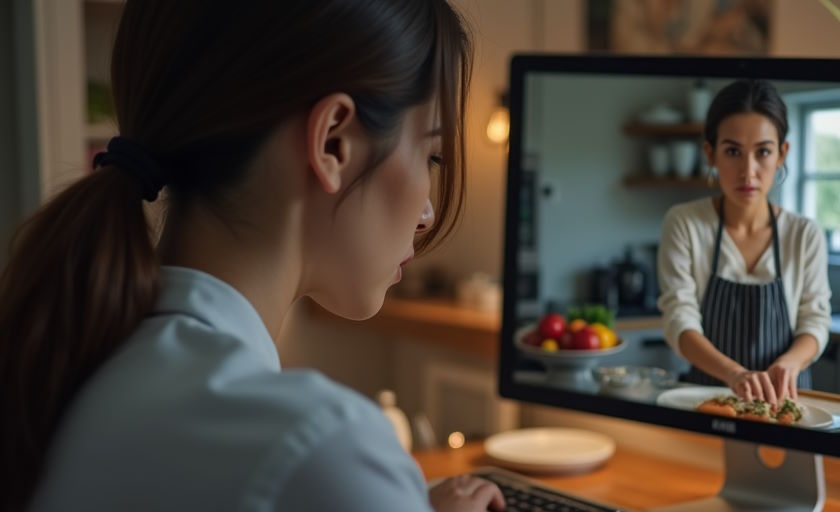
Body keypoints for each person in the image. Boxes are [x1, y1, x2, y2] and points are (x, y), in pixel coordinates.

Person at [0, 1, 505, 511]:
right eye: (431, 155)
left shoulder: (70, 362)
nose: (427, 212)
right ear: (334, 142)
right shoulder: (319, 448)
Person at [657, 79, 832, 406]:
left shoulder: (804, 235)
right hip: (709, 400)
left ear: (782, 154)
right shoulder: (684, 224)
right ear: (710, 153)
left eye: (763, 151)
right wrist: (735, 374)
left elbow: (815, 321)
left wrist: (789, 363)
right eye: (733, 151)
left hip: (786, 404)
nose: (748, 171)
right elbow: (678, 318)